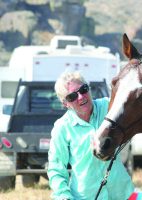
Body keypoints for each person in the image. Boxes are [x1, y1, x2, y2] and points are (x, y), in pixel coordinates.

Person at [47, 71, 134, 200]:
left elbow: (135, 103)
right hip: (86, 196)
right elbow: (56, 169)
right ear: (65, 103)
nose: (81, 97)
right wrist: (63, 196)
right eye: (72, 96)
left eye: (83, 89)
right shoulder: (62, 128)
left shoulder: (109, 107)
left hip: (123, 193)